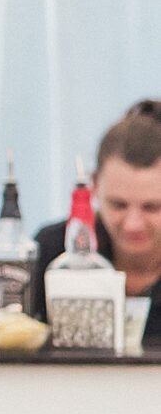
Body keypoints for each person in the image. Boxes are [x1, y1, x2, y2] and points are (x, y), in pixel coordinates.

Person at [34, 101, 161, 348]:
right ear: (94, 185)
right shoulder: (53, 251)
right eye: (118, 205)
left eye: (152, 207)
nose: (133, 224)